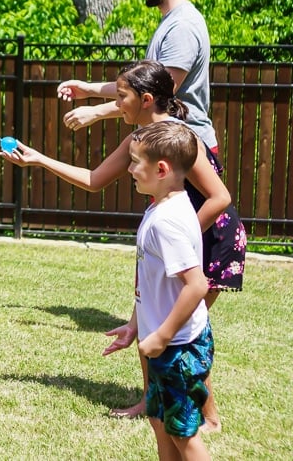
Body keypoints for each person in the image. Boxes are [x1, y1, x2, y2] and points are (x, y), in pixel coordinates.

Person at [1, 60, 245, 430]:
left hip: (209, 236)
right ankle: (152, 402)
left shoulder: (180, 137)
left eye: (122, 98)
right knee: (152, 316)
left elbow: (219, 197)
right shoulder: (140, 138)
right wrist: (38, 159)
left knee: (182, 326)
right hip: (171, 237)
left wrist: (182, 240)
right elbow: (95, 179)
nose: (118, 105)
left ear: (146, 99)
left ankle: (206, 418)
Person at [106, 121, 213, 460]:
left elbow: (197, 285)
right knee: (159, 420)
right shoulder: (162, 206)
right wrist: (136, 324)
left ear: (162, 168)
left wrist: (163, 335)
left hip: (179, 348)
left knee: (184, 435)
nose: (130, 169)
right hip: (167, 343)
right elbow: (152, 281)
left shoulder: (167, 221)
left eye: (136, 161)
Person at [58, 0, 219, 154]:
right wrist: (87, 89)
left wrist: (96, 112)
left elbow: (157, 95)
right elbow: (140, 89)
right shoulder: (171, 22)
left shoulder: (182, 27)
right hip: (171, 145)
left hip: (188, 150)